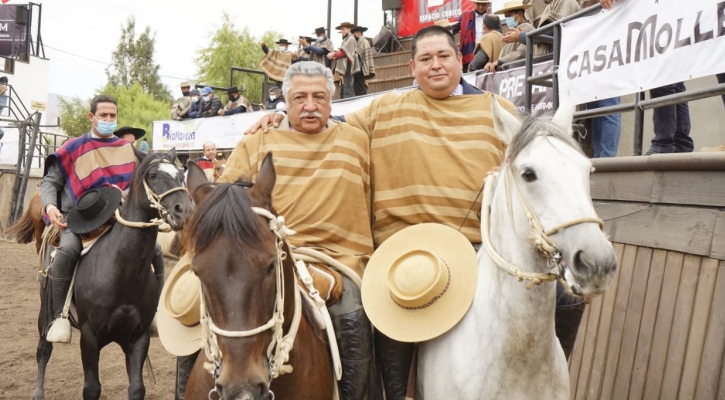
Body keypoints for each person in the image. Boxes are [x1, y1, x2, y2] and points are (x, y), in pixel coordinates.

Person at [246, 25, 588, 399]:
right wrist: (278, 114)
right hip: (403, 254)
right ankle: (395, 395)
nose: (435, 65)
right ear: (412, 66)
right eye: (425, 59)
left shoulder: (497, 111)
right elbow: (323, 120)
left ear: (460, 59)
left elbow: (532, 164)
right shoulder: (385, 109)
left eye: (443, 56)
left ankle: (551, 377)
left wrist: (505, 172)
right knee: (394, 305)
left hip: (480, 251)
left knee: (567, 297)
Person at [169, 61, 374, 400]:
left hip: (335, 261)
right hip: (259, 256)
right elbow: (222, 206)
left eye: (319, 97)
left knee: (351, 307)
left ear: (331, 101)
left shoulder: (356, 140)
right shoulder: (256, 142)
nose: (310, 105)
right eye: (300, 98)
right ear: (286, 101)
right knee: (196, 308)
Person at [40, 95, 139, 343]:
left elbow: (137, 186)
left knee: (156, 252)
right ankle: (59, 317)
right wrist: (51, 206)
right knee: (67, 251)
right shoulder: (72, 148)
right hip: (79, 219)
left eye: (112, 116)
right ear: (91, 116)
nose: (108, 120)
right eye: (103, 115)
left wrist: (126, 194)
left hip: (118, 219)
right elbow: (51, 182)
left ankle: (152, 314)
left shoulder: (127, 150)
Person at [483, 1, 535, 73]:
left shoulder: (527, 28)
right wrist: (495, 63)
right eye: (506, 16)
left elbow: (521, 53)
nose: (507, 19)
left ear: (520, 14)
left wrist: (499, 62)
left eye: (509, 16)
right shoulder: (513, 30)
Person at [452, 0, 493, 72]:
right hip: (468, 57)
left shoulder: (492, 18)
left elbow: (498, 36)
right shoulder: (465, 16)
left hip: (487, 58)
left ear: (487, 4)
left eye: (483, 4)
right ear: (474, 3)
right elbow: (453, 29)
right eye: (478, 4)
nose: (480, 7)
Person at [327, 22, 359, 99]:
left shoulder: (351, 38)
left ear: (349, 29)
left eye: (344, 29)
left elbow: (344, 52)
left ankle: (349, 103)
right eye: (342, 30)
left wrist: (333, 54)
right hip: (346, 66)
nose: (342, 31)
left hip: (349, 65)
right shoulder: (346, 39)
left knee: (348, 86)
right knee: (347, 85)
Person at [352, 26, 376, 96]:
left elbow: (365, 56)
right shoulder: (357, 42)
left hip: (361, 68)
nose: (354, 34)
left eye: (355, 33)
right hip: (356, 68)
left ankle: (363, 101)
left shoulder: (364, 42)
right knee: (357, 87)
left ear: (359, 33)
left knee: (360, 87)